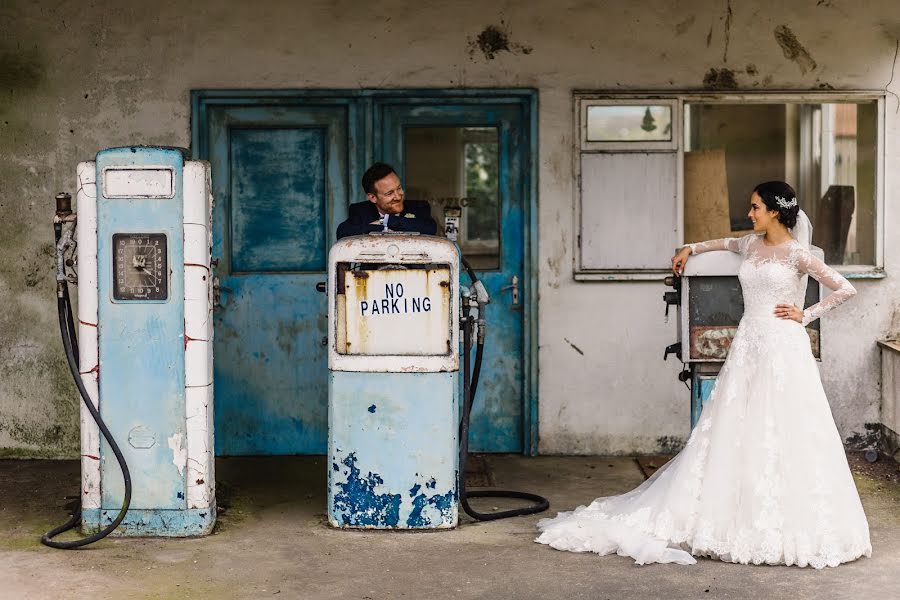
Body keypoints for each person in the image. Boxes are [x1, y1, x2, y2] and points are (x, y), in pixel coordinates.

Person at [536, 181, 871, 569]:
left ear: (776, 211)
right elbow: (723, 242)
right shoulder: (750, 245)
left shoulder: (797, 254)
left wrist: (805, 314)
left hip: (783, 348)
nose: (749, 213)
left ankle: (783, 519)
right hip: (748, 344)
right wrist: (690, 248)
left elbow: (845, 288)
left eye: (755, 207)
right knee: (736, 426)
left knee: (786, 426)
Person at [336, 162, 437, 239]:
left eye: (399, 188)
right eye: (390, 193)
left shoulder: (419, 207)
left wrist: (385, 221)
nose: (398, 196)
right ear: (372, 197)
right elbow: (342, 232)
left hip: (412, 266)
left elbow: (430, 228)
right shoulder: (360, 210)